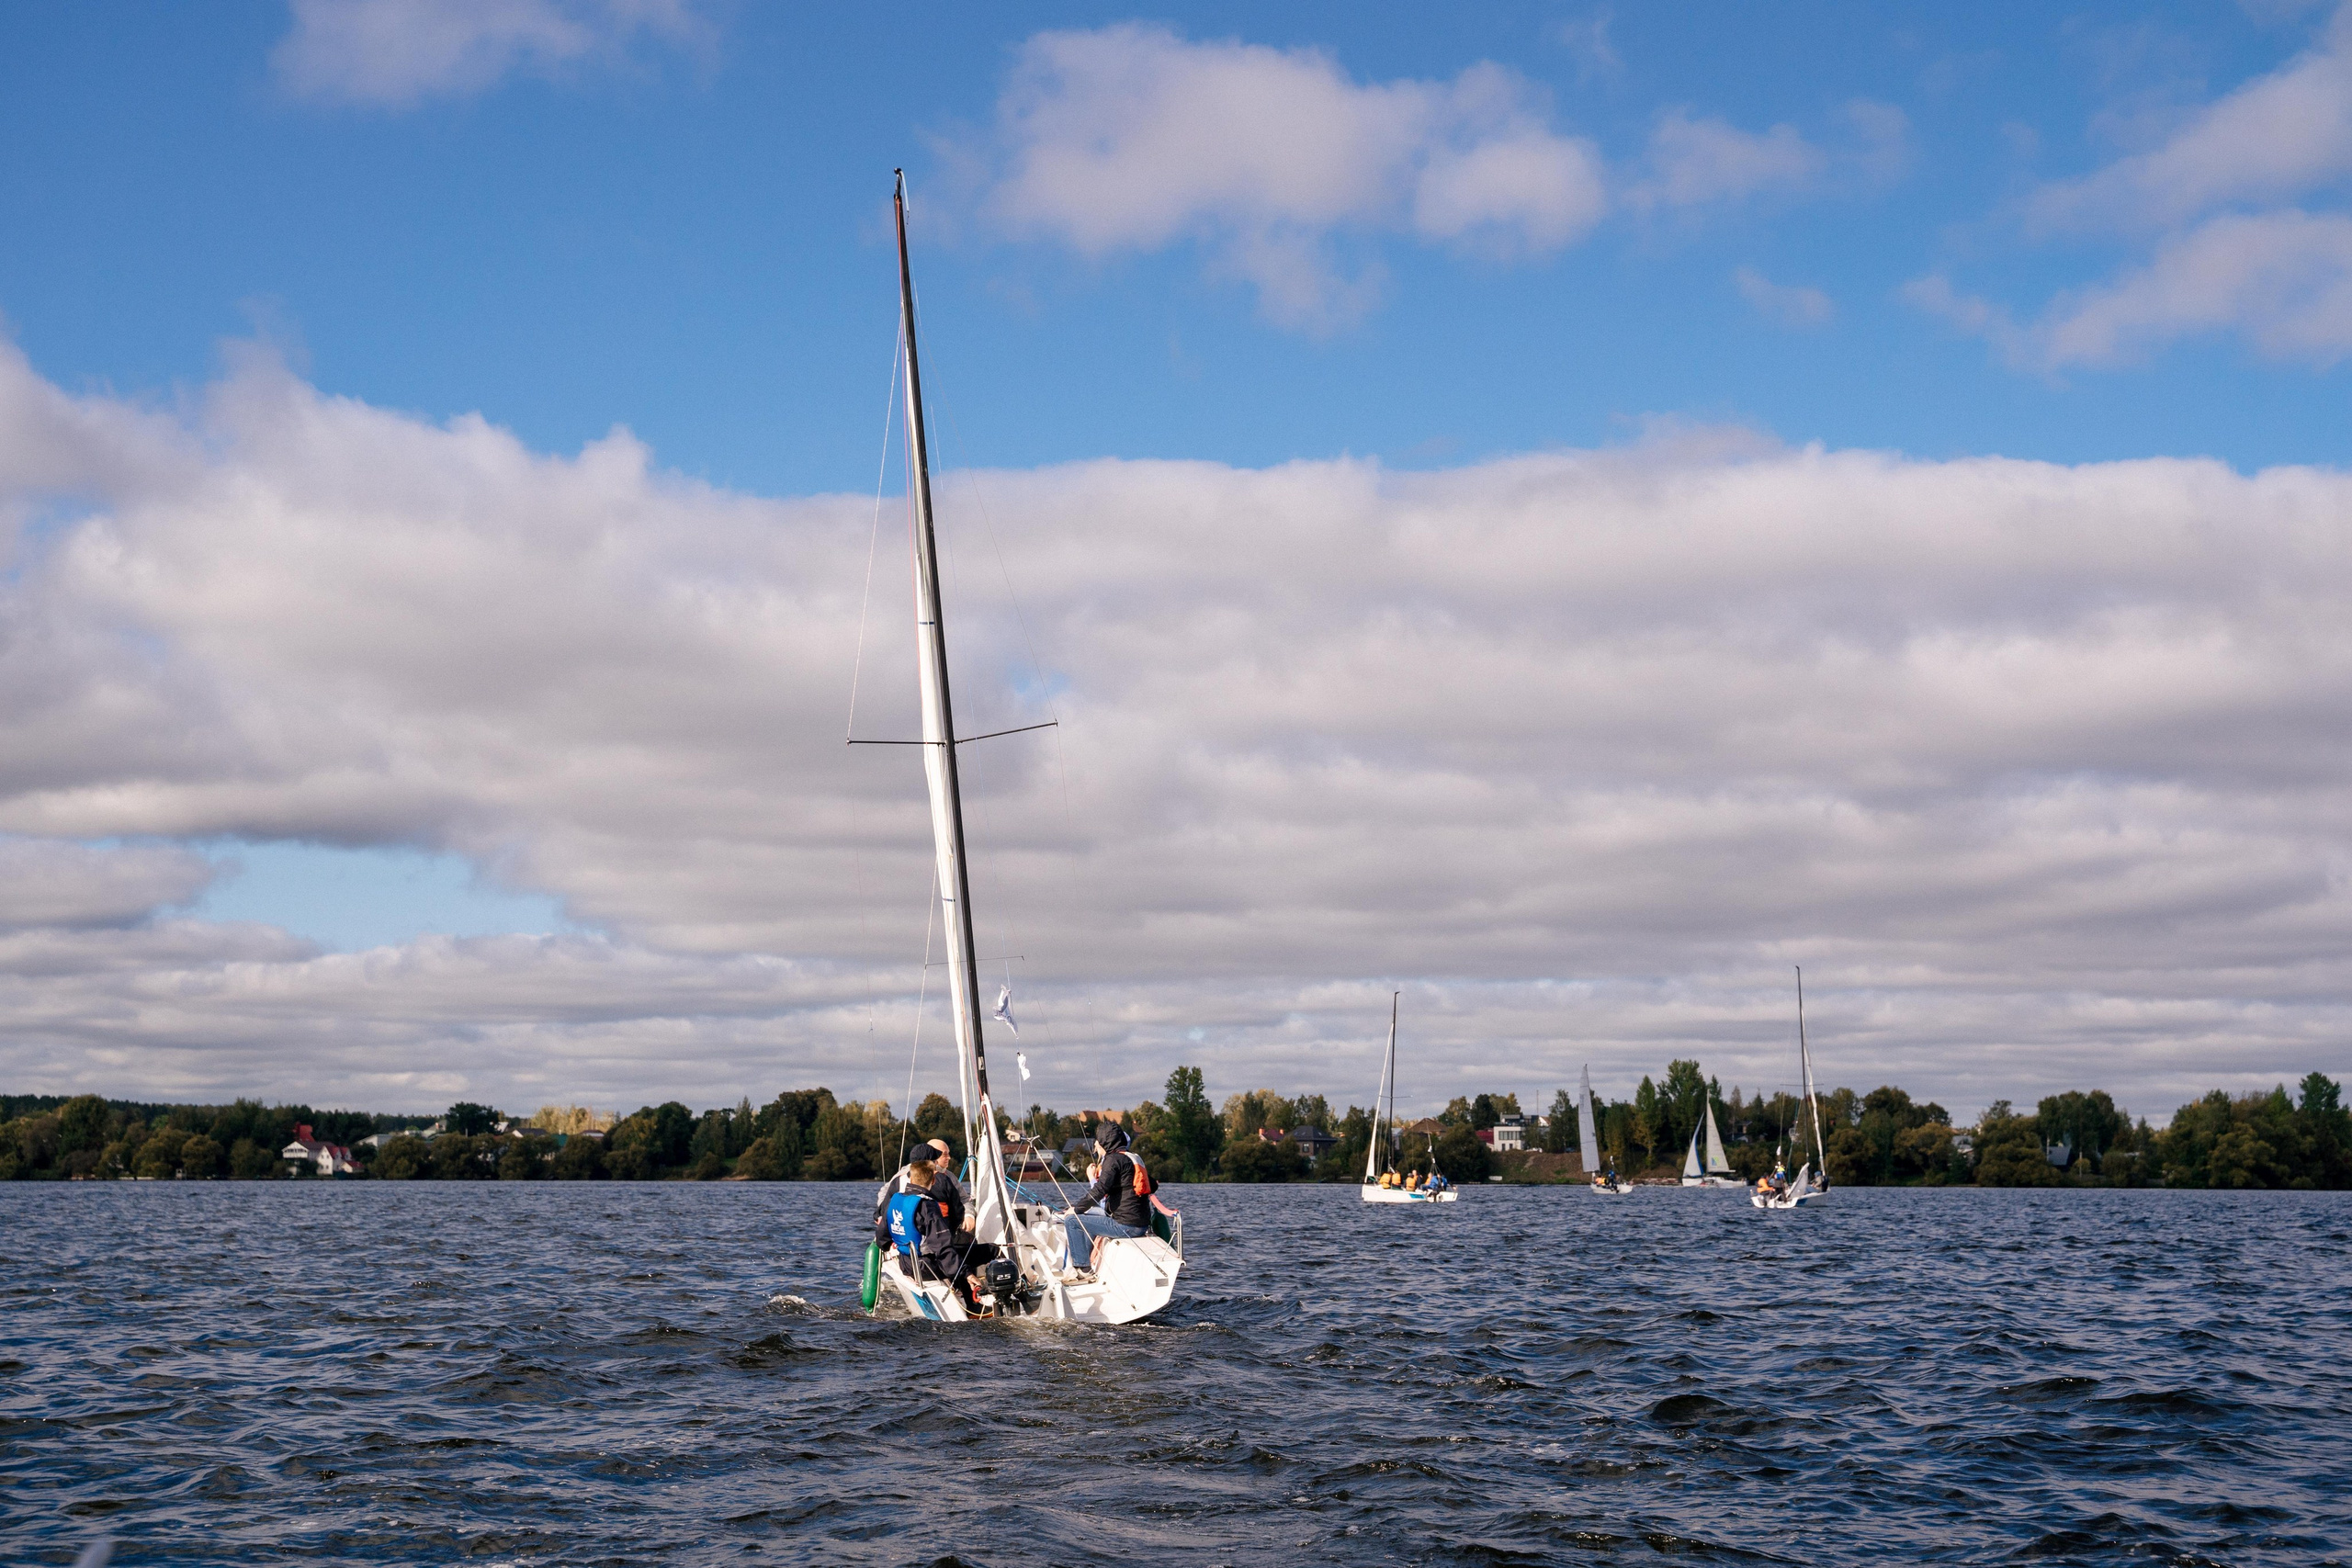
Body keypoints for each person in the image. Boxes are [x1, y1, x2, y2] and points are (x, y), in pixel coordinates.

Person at [875, 1150, 968, 1287]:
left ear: (911, 1177)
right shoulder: (928, 1205)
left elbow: (882, 1236)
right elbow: (942, 1246)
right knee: (977, 1254)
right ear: (934, 1177)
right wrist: (966, 1273)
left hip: (906, 1263)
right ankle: (972, 1301)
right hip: (928, 1265)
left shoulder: (895, 1196)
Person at [1063, 1122, 1149, 1269]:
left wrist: (1076, 1209)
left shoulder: (1112, 1160)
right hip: (1141, 1224)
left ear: (1105, 1141)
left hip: (1126, 1226)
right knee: (1089, 1214)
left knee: (1072, 1221)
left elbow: (1099, 1190)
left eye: (1098, 1141)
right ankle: (1087, 1258)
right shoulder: (1132, 1157)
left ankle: (1082, 1267)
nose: (1096, 1144)